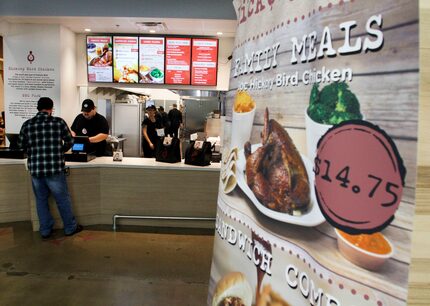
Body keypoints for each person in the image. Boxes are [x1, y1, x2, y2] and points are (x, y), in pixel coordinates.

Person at [17, 97, 83, 239]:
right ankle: (70, 228)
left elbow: (20, 145)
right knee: (62, 199)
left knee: (41, 200)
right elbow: (70, 141)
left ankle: (45, 230)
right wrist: (60, 150)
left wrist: (32, 151)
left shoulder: (27, 125)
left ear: (38, 108)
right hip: (54, 169)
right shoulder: (58, 122)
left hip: (36, 170)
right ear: (51, 109)